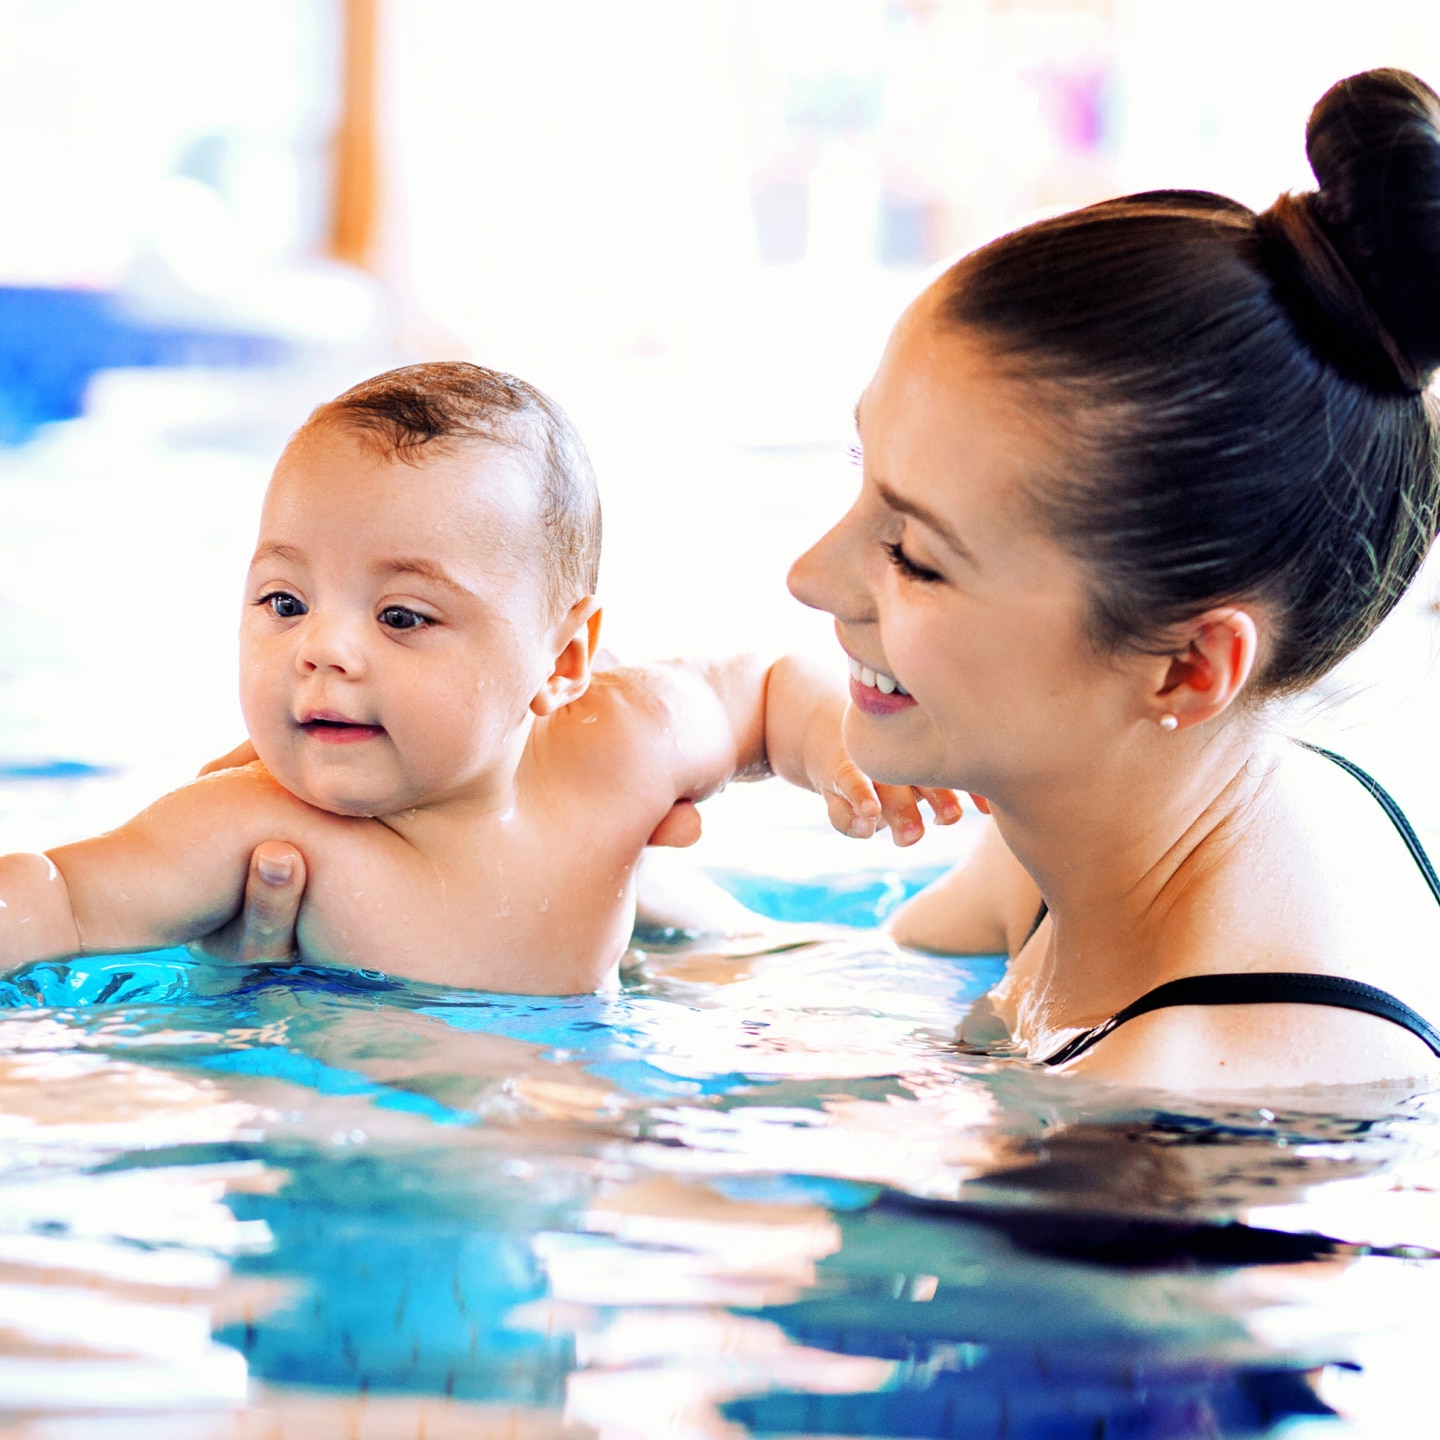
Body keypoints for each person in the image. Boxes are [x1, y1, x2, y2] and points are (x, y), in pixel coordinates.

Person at [214, 69, 1440, 1091]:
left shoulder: (1189, 1106)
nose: (811, 577)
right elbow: (850, 982)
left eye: (913, 551)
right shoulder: (1125, 819)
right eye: (861, 481)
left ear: (1188, 665)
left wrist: (403, 1051)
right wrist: (532, 896)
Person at [0, 363, 956, 992]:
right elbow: (57, 895)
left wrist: (836, 748)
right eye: (285, 602)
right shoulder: (258, 828)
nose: (322, 650)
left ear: (565, 661)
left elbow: (763, 687)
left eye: (402, 617)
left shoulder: (616, 747)